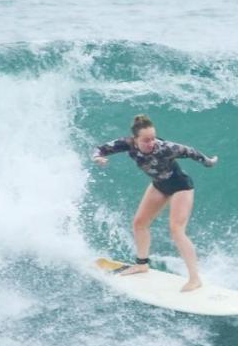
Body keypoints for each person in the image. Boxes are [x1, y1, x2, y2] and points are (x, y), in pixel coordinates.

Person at [92, 114, 218, 292]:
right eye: (146, 140)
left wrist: (209, 162)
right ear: (135, 140)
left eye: (153, 138)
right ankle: (142, 264)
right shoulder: (126, 144)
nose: (151, 143)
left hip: (181, 186)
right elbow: (100, 149)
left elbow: (191, 152)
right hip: (159, 186)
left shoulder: (166, 148)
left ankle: (195, 279)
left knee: (176, 229)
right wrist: (97, 158)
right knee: (139, 224)